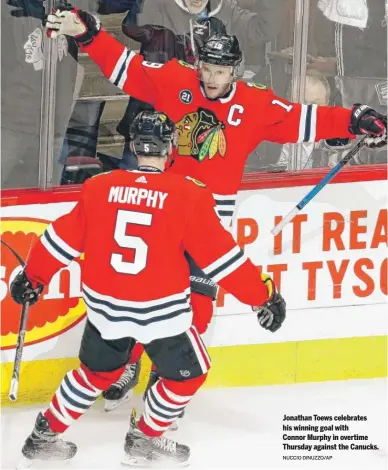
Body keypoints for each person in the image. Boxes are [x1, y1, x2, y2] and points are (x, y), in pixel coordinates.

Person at [44, 6, 387, 415]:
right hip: (162, 216)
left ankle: (165, 377)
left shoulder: (255, 104)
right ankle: (128, 363)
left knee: (198, 308)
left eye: (220, 71)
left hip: (208, 224)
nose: (210, 77)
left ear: (235, 72)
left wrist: (354, 119)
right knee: (148, 297)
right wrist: (88, 35)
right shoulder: (175, 81)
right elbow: (126, 69)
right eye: (206, 67)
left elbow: (303, 119)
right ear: (198, 63)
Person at [10, 110, 286, 467]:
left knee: (95, 374)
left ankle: (42, 436)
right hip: (160, 314)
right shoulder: (187, 194)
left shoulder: (99, 187)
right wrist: (263, 296)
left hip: (105, 310)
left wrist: (32, 278)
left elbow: (57, 240)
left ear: (131, 145)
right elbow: (223, 261)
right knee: (191, 375)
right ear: (170, 147)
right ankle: (144, 437)